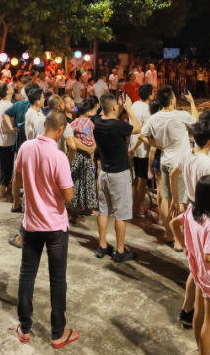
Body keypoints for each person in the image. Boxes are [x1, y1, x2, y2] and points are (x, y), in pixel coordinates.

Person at [12, 110, 80, 348]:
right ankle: (58, 333)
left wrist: (19, 201)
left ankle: (25, 328)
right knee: (57, 279)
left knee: (27, 275)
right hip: (56, 227)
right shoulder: (59, 156)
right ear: (61, 130)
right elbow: (68, 195)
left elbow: (17, 180)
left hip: (30, 224)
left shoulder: (26, 148)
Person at [172, 175, 210, 355]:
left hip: (198, 271)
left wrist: (184, 247)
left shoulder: (191, 212)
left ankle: (201, 349)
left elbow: (173, 223)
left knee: (198, 315)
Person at [139, 86, 199, 251]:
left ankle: (169, 234)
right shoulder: (180, 115)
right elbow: (196, 119)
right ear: (172, 100)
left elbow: (142, 135)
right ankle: (178, 240)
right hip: (178, 165)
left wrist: (156, 145)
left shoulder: (154, 118)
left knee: (166, 198)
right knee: (179, 201)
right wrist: (192, 102)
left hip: (165, 162)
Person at [92, 93, 141, 263]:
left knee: (103, 210)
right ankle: (120, 251)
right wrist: (129, 109)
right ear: (114, 108)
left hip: (104, 172)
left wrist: (117, 108)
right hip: (119, 174)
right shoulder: (117, 126)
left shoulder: (97, 122)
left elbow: (106, 114)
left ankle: (102, 245)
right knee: (120, 214)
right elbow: (137, 128)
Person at [66, 98, 98, 222]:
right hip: (78, 155)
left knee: (87, 180)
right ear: (87, 112)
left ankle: (85, 207)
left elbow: (92, 136)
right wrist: (87, 148)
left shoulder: (90, 123)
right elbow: (70, 138)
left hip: (87, 156)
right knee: (76, 181)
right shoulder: (74, 123)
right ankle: (72, 212)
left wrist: (93, 146)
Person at [129, 84, 154, 218]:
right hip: (141, 148)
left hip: (133, 146)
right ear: (149, 95)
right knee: (142, 179)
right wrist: (136, 147)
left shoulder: (134, 105)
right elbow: (143, 132)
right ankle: (138, 208)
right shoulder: (147, 110)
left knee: (135, 177)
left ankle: (133, 205)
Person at [0, 84, 18, 204]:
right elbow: (12, 122)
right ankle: (2, 194)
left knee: (5, 167)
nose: (12, 87)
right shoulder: (7, 105)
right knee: (7, 168)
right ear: (7, 92)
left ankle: (7, 192)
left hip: (2, 139)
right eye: (9, 87)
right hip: (8, 140)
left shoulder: (1, 103)